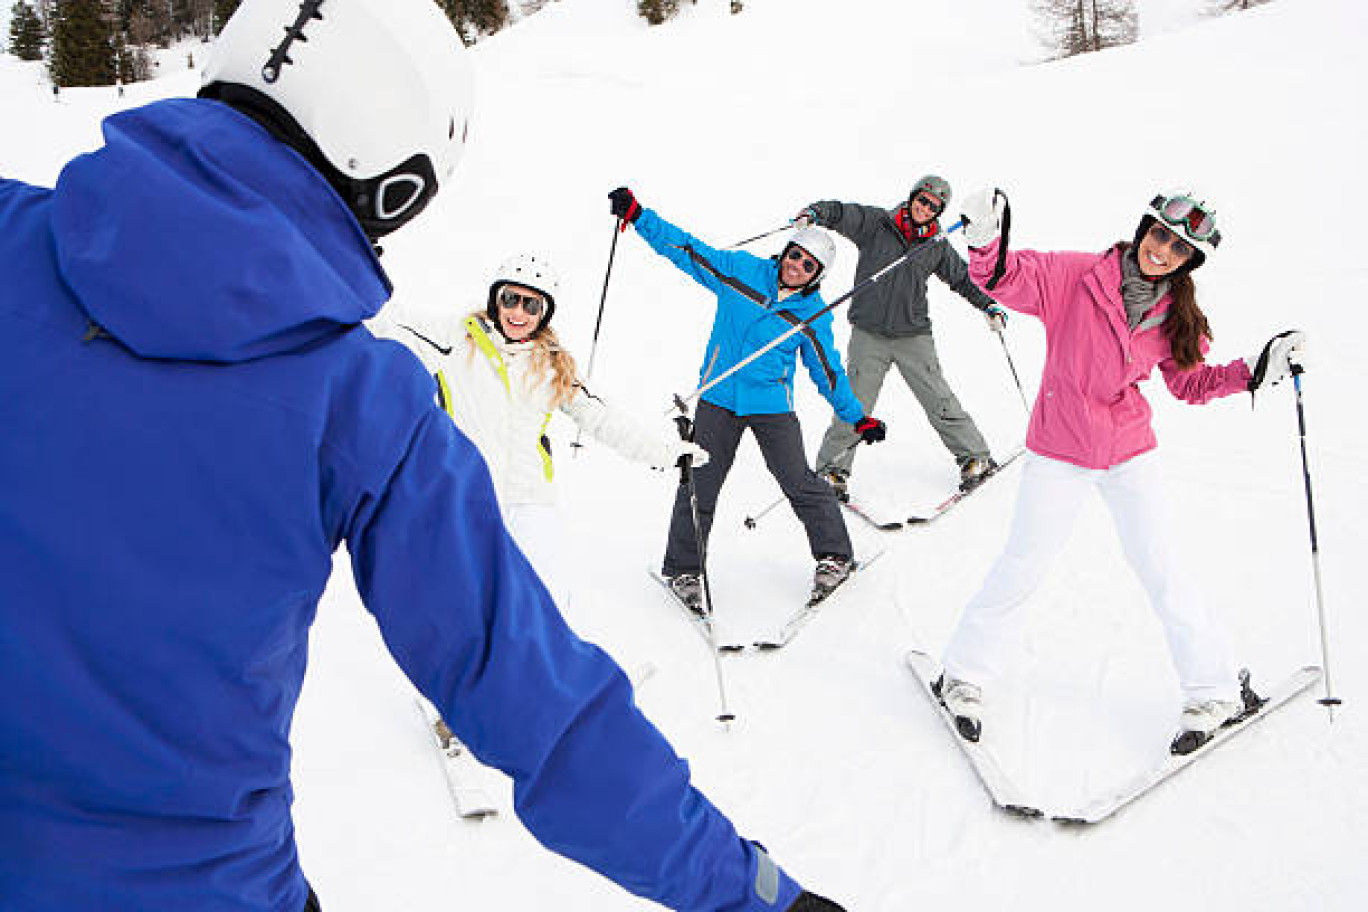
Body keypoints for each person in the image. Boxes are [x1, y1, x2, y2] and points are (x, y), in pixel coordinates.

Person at [0, 1, 844, 910]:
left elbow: (597, 418)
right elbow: (536, 707)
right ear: (394, 183)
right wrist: (752, 894)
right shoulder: (360, 400)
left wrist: (663, 449)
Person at [935, 186, 1306, 755]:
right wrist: (986, 243)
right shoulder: (1076, 276)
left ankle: (1213, 690)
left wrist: (1256, 372)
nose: (1163, 251)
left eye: (1179, 249)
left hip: (1128, 451)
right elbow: (1004, 280)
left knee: (1162, 569)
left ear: (1189, 261)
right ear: (1143, 229)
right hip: (1059, 448)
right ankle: (961, 675)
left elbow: (1189, 383)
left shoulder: (1177, 316)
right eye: (1160, 234)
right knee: (1024, 561)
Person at [608, 186, 887, 611]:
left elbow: (827, 370)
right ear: (785, 252)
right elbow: (688, 250)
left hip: (772, 406)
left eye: (808, 265)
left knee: (798, 479)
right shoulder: (740, 271)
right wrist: (640, 216)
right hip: (718, 399)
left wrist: (856, 416)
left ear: (818, 275)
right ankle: (684, 568)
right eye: (795, 255)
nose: (797, 266)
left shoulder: (812, 315)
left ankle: (834, 556)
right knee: (699, 483)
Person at [381, 251, 709, 604]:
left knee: (545, 600)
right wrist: (353, 254)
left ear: (544, 313)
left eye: (531, 305)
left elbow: (604, 418)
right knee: (461, 600)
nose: (518, 313)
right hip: (465, 493)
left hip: (530, 499)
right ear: (496, 299)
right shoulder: (455, 338)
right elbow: (381, 316)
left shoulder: (552, 364)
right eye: (510, 299)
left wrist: (667, 453)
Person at [795, 175, 1007, 495]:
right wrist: (815, 213)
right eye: (922, 201)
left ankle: (975, 458)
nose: (925, 209)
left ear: (939, 213)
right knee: (854, 404)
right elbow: (841, 213)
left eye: (934, 207)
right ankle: (832, 470)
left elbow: (962, 279)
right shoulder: (877, 223)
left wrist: (989, 305)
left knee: (939, 399)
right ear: (912, 197)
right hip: (869, 335)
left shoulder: (936, 244)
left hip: (913, 336)